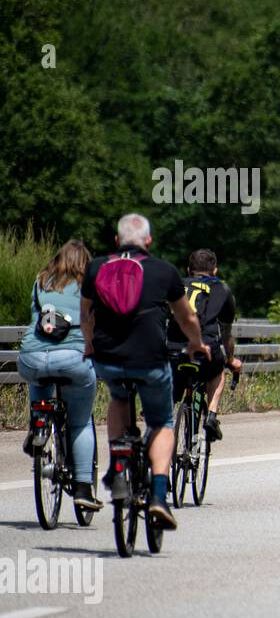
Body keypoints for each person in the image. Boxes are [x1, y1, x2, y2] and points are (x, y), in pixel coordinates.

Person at [82, 213, 208, 529]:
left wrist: (88, 344)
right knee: (162, 421)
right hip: (151, 360)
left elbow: (85, 313)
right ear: (148, 241)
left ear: (116, 241)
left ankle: (119, 459)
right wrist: (196, 344)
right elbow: (186, 318)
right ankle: (159, 496)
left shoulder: (96, 267)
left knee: (119, 398)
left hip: (108, 359)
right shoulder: (164, 270)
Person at [17, 240, 101, 511]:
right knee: (80, 423)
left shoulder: (41, 281)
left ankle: (37, 424)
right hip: (73, 358)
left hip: (32, 356)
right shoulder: (90, 285)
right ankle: (83, 488)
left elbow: (34, 317)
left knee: (39, 380)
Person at [165, 249, 242, 441]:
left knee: (173, 377)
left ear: (189, 270)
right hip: (205, 350)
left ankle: (163, 408)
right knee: (218, 371)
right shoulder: (222, 289)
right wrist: (231, 359)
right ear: (214, 271)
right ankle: (212, 414)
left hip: (173, 349)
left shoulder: (176, 285)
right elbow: (226, 333)